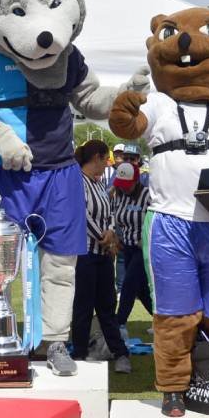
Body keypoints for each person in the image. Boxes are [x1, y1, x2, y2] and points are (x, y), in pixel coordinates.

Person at [72, 141, 130, 374]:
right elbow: (81, 213)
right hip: (85, 254)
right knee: (83, 307)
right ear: (96, 157)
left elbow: (110, 211)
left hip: (104, 255)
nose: (108, 163)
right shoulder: (77, 181)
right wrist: (104, 237)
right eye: (105, 159)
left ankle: (120, 352)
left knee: (107, 307)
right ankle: (79, 353)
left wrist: (112, 232)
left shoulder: (99, 183)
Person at [110, 162, 152, 339]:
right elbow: (112, 216)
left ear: (137, 181)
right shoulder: (117, 195)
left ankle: (119, 324)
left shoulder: (147, 195)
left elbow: (155, 217)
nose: (125, 189)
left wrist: (147, 235)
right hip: (126, 247)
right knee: (141, 290)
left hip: (142, 249)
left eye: (128, 185)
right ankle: (161, 320)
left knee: (128, 284)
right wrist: (114, 234)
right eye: (122, 185)